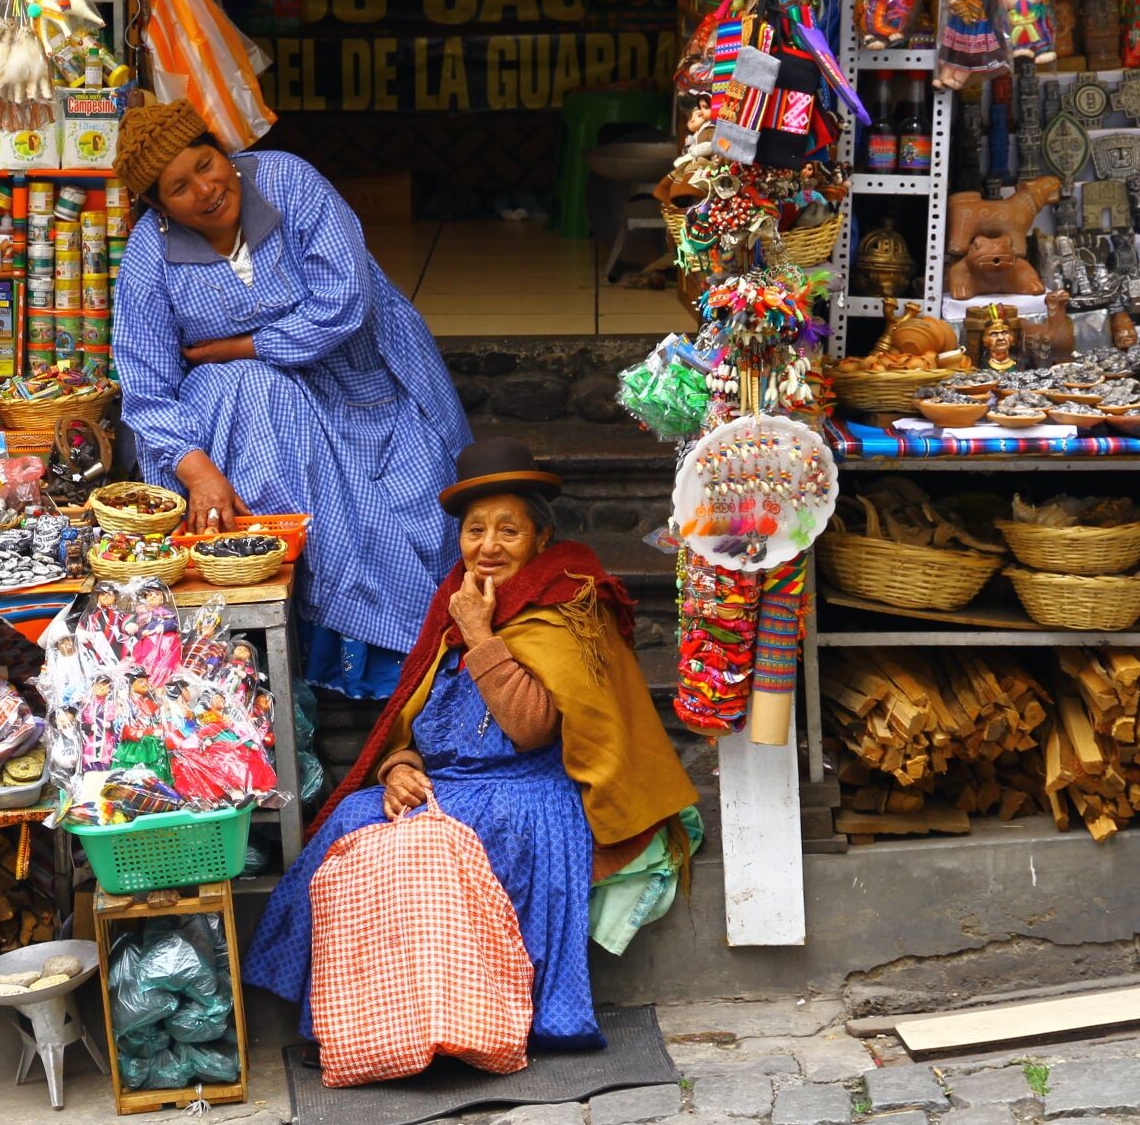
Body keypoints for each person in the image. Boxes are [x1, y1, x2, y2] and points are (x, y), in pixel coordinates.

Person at [244, 437, 700, 1054]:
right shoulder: (454, 599)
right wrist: (400, 766)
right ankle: (374, 1016)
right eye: (474, 530)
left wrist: (481, 634)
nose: (487, 547)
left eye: (507, 531)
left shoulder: (564, 603)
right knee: (357, 816)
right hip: (453, 782)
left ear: (540, 539)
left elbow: (532, 727)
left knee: (406, 845)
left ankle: (450, 1018)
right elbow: (414, 723)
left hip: (527, 794)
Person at [111, 100, 471, 698]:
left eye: (207, 164)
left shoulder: (287, 180)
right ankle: (290, 667)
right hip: (256, 415)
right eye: (179, 186)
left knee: (424, 507)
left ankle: (414, 672)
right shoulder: (151, 255)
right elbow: (146, 386)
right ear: (156, 205)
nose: (205, 189)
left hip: (363, 380)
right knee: (263, 409)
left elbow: (344, 301)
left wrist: (244, 345)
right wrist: (197, 470)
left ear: (225, 153)